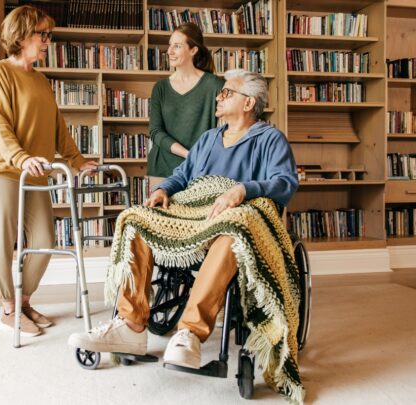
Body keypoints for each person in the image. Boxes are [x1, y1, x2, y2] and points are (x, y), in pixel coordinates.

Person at [68, 69, 298, 368]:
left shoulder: (270, 139)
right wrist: (164, 188)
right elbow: (182, 175)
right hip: (192, 216)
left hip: (231, 222)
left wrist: (243, 190)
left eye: (227, 92)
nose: (219, 96)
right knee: (137, 219)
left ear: (248, 103)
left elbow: (285, 183)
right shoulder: (208, 139)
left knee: (234, 232)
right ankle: (131, 325)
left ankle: (189, 332)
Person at [0, 5, 97, 337]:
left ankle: (24, 301)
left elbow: (57, 126)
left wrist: (75, 159)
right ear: (21, 35)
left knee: (45, 240)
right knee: (2, 242)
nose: (48, 40)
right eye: (42, 34)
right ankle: (8, 309)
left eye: (49, 34)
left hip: (36, 172)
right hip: (2, 169)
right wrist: (19, 157)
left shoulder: (42, 80)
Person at [147, 22, 225, 191]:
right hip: (162, 169)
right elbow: (155, 131)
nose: (169, 51)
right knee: (159, 217)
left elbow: (228, 128)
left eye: (177, 46)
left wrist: (200, 158)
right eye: (169, 46)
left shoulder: (215, 85)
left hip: (201, 169)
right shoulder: (160, 88)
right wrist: (189, 155)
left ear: (193, 50)